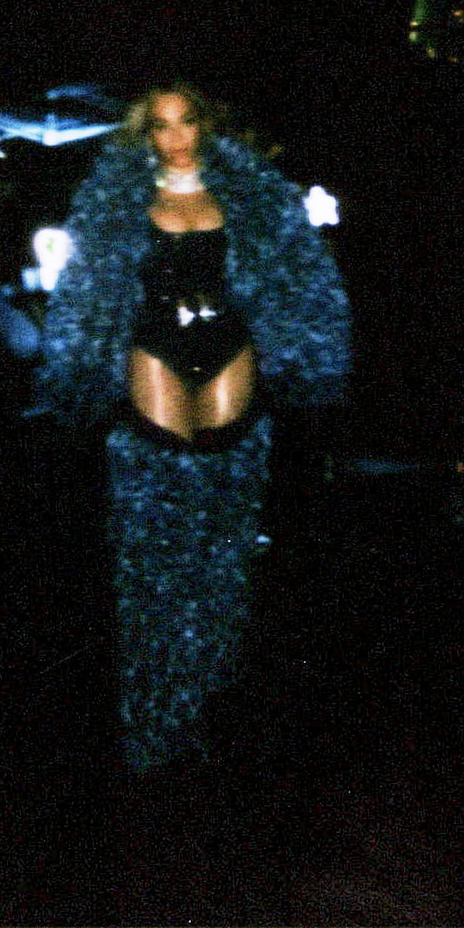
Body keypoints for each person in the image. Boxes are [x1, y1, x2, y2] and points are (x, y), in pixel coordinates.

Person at [36, 84, 352, 772]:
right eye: (161, 125)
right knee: (156, 524)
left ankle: (210, 696)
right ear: (145, 134)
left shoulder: (255, 196)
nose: (176, 137)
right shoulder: (117, 200)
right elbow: (88, 292)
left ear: (208, 125)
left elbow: (298, 278)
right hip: (154, 350)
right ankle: (158, 708)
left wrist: (302, 350)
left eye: (187, 121)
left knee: (224, 525)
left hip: (231, 347)